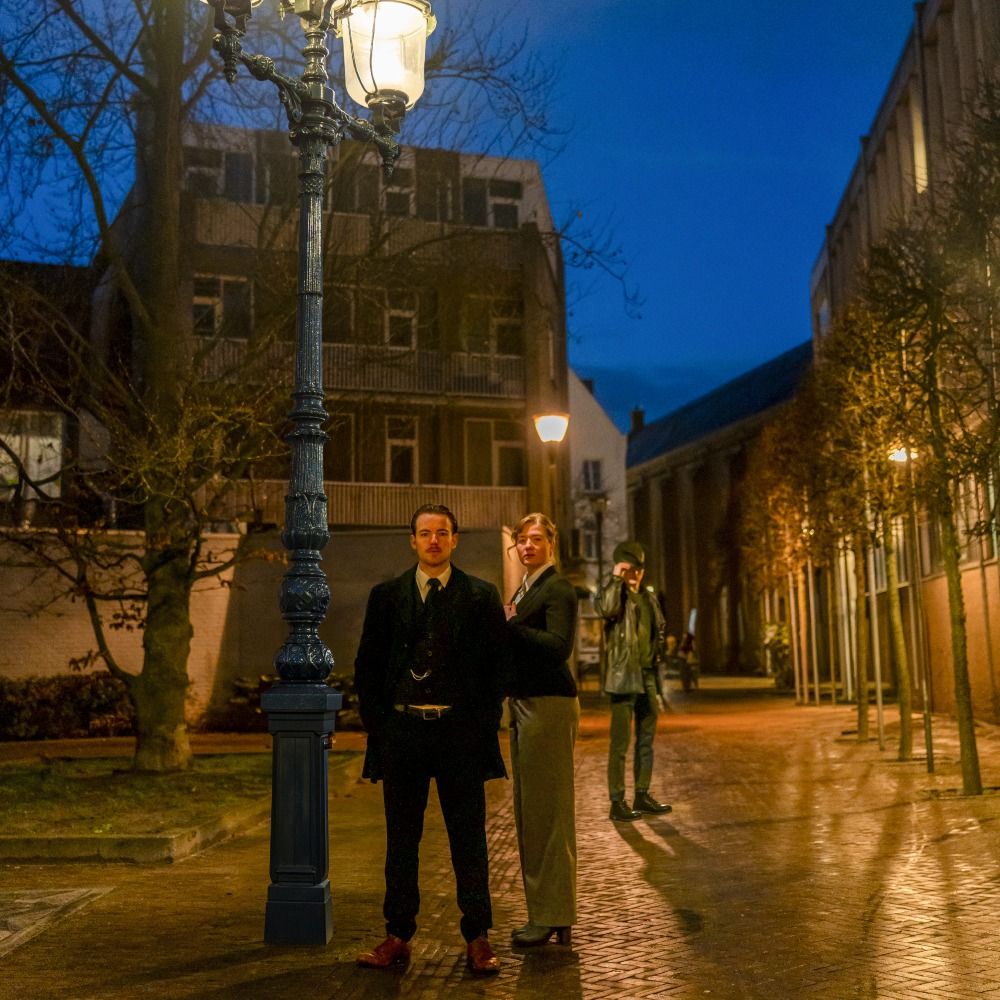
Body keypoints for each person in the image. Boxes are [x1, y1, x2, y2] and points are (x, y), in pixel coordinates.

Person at [354, 503, 508, 976]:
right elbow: (367, 667)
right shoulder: (386, 596)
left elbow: (496, 668)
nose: (434, 540)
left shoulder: (480, 597)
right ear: (413, 540)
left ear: (455, 539)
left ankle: (478, 936)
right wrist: (381, 727)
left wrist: (480, 724)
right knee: (402, 838)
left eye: (442, 533)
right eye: (425, 533)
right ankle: (397, 935)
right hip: (403, 731)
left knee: (469, 837)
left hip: (459, 731)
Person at [503, 513, 579, 948]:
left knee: (547, 812)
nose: (528, 546)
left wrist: (512, 628)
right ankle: (548, 913)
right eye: (521, 540)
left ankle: (553, 914)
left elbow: (558, 647)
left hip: (548, 704)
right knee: (532, 811)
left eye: (535, 539)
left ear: (552, 542)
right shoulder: (525, 589)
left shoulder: (558, 588)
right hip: (526, 702)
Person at [595, 540, 674, 822]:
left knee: (646, 740)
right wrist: (615, 578)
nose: (635, 574)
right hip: (623, 677)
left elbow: (659, 630)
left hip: (648, 676)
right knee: (619, 743)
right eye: (629, 569)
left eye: (638, 569)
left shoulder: (649, 598)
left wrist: (657, 657)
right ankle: (617, 800)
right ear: (621, 569)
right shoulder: (615, 595)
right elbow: (605, 608)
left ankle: (642, 793)